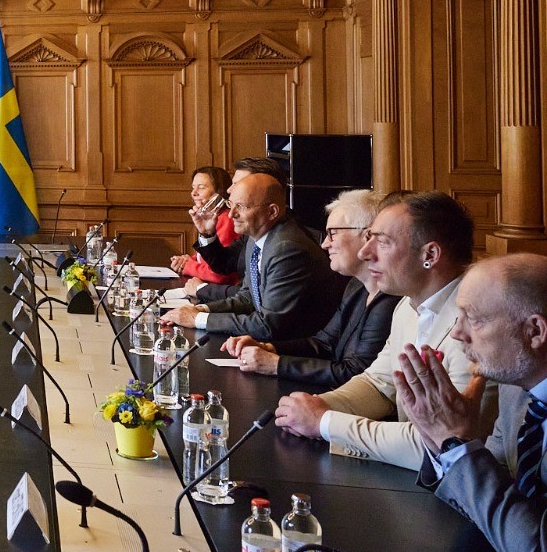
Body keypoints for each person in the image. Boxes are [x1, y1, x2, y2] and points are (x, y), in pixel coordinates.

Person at [272, 190, 495, 470]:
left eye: (383, 242)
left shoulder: (478, 325)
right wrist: (313, 407)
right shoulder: (406, 306)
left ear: (430, 254)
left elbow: (442, 444)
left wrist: (324, 423)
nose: (366, 252)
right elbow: (378, 385)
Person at [396, 253, 547, 552]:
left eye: (474, 319)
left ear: (535, 330)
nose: (458, 333)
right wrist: (439, 440)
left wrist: (456, 445)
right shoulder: (515, 388)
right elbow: (478, 501)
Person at [220, 189, 399, 387]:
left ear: (367, 235)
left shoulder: (390, 298)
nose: (325, 244)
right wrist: (268, 348)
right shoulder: (356, 285)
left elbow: (356, 374)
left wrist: (276, 364)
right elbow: (323, 344)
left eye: (333, 234)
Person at [164, 173, 343, 340]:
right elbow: (248, 297)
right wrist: (200, 308)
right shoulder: (256, 236)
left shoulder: (287, 248)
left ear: (272, 212)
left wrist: (198, 319)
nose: (232, 214)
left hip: (296, 347)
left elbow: (268, 325)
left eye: (240, 207)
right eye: (230, 204)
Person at [182, 155, 293, 300]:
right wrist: (207, 233)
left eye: (238, 184)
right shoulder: (255, 229)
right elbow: (224, 264)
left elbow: (251, 297)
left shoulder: (287, 245)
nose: (229, 190)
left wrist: (200, 289)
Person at [168, 165, 240, 284]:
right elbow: (207, 258)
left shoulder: (227, 219)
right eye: (193, 187)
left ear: (219, 192)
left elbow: (219, 274)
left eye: (201, 188)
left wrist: (188, 266)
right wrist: (187, 260)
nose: (193, 193)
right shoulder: (211, 218)